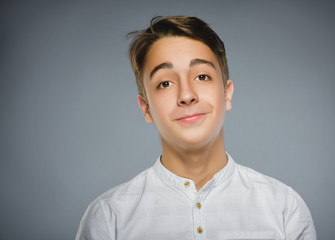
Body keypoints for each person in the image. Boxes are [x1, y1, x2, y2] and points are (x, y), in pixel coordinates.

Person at [75, 16, 316, 240]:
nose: (187, 95)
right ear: (146, 108)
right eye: (165, 83)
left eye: (201, 76)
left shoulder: (284, 208)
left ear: (226, 93)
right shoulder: (109, 217)